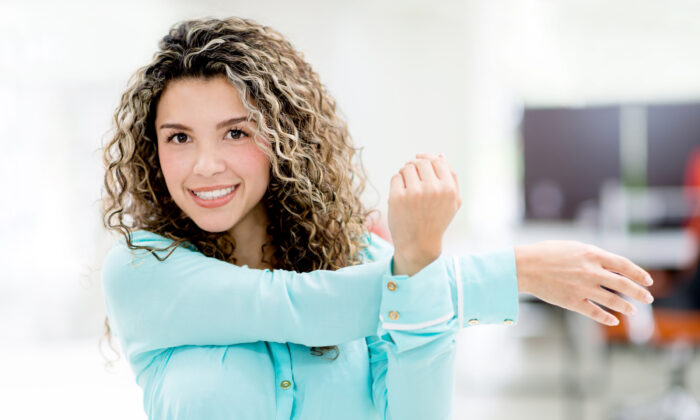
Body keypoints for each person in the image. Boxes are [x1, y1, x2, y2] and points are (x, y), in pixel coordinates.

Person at [100, 17, 655, 420]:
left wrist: (417, 266)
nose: (205, 165)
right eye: (179, 138)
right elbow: (292, 307)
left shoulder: (370, 263)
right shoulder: (144, 269)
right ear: (153, 150)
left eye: (236, 132)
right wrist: (514, 272)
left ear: (286, 139)